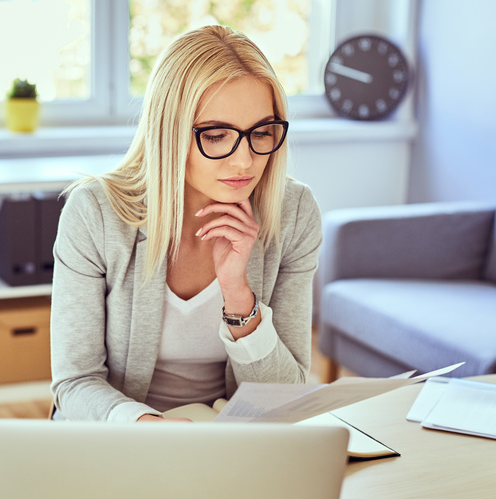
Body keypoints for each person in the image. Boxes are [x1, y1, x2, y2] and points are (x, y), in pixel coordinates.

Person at [50, 24, 322, 422]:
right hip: (119, 440)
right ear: (168, 131)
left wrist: (238, 296)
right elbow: (74, 383)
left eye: (262, 132)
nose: (245, 161)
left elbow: (285, 395)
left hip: (231, 443)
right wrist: (145, 426)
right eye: (215, 135)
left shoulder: (294, 212)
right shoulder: (95, 213)